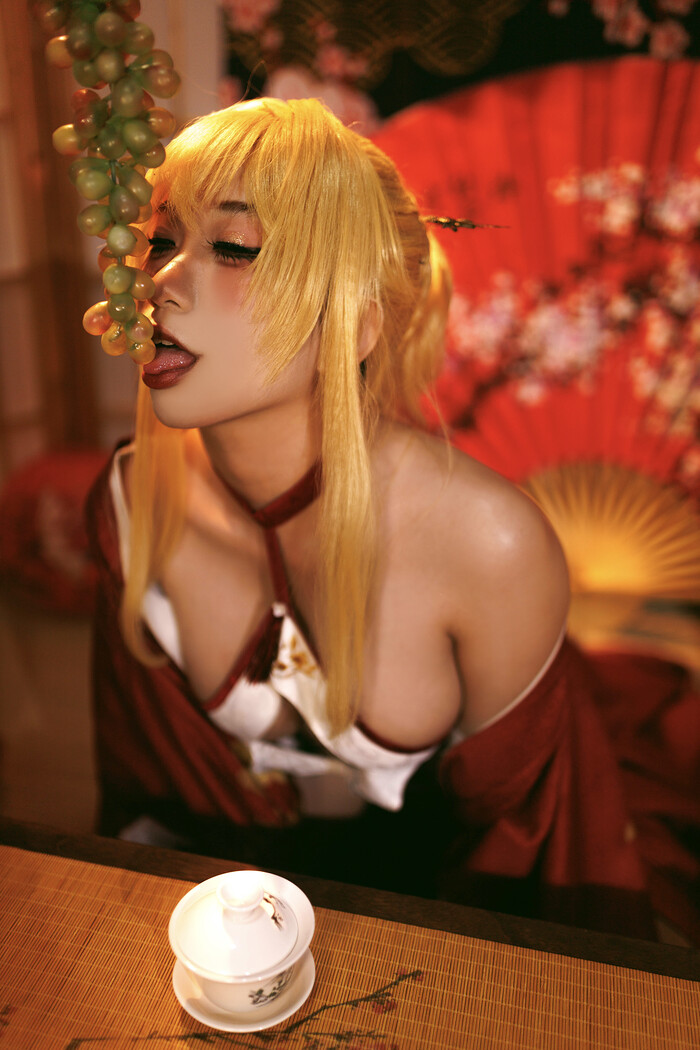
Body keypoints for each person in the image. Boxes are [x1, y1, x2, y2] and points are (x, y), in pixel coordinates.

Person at [86, 97, 698, 944]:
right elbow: (143, 794)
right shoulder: (133, 501)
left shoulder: (489, 544)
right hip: (235, 921)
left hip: (457, 925)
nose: (159, 284)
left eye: (235, 247)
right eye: (160, 241)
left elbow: (536, 848)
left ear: (357, 321)